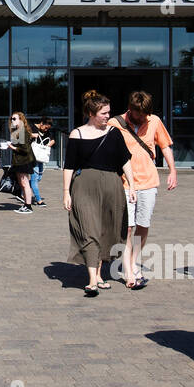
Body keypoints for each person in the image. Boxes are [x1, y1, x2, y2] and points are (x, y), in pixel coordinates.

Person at [63, 90, 136, 296]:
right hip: (84, 186)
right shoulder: (76, 134)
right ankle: (92, 279)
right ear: (91, 114)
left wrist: (132, 185)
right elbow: (69, 166)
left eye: (108, 112)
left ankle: (99, 275)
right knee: (89, 229)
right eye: (103, 113)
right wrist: (65, 192)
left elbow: (125, 161)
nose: (107, 116)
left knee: (107, 229)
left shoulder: (114, 133)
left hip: (112, 184)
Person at [110, 90, 177, 289]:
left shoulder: (154, 120)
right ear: (131, 110)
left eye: (147, 113)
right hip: (125, 183)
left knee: (143, 225)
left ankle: (133, 260)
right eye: (141, 114)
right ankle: (129, 268)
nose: (144, 117)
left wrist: (173, 171)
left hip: (148, 181)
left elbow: (164, 146)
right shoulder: (115, 124)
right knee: (128, 227)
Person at [8, 112, 36, 213]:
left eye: (15, 119)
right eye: (12, 119)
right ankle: (26, 204)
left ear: (21, 119)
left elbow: (25, 149)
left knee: (25, 183)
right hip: (19, 161)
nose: (12, 121)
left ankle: (28, 206)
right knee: (22, 183)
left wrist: (12, 147)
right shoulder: (18, 131)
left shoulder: (22, 131)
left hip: (24, 161)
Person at [29, 116, 56, 208]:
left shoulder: (47, 131)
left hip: (41, 156)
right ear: (41, 123)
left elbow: (52, 140)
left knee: (38, 178)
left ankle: (22, 187)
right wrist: (32, 135)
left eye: (48, 128)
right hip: (32, 156)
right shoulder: (32, 127)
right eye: (45, 127)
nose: (46, 130)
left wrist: (48, 145)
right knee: (35, 178)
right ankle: (38, 200)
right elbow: (22, 136)